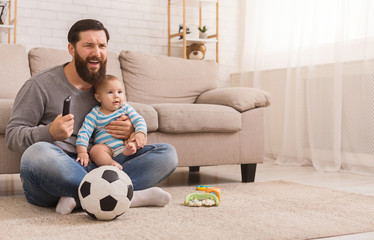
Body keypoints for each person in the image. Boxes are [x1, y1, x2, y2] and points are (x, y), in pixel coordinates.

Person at [5, 19, 178, 214]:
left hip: (101, 164)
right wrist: (49, 132)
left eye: (102, 45)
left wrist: (131, 130)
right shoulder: (39, 85)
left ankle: (83, 196)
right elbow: (13, 136)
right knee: (36, 154)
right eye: (88, 45)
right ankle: (126, 195)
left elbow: (127, 116)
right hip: (59, 170)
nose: (97, 52)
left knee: (167, 154)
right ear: (71, 49)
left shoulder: (105, 87)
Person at [76, 74, 147, 170]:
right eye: (110, 92)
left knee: (135, 135)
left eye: (120, 92)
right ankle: (111, 164)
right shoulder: (95, 114)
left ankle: (131, 148)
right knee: (95, 150)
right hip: (107, 150)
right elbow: (85, 131)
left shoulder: (125, 108)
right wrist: (82, 152)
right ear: (98, 98)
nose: (116, 96)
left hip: (126, 146)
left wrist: (140, 134)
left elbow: (139, 119)